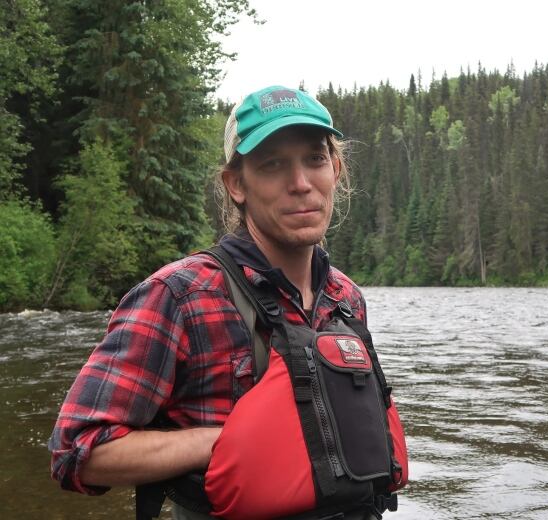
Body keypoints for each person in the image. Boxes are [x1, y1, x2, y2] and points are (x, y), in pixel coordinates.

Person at [49, 85, 408, 519]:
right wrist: (219, 442)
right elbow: (76, 451)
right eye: (273, 165)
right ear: (237, 184)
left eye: (314, 159)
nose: (300, 184)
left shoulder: (345, 297)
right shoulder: (180, 295)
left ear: (334, 168)